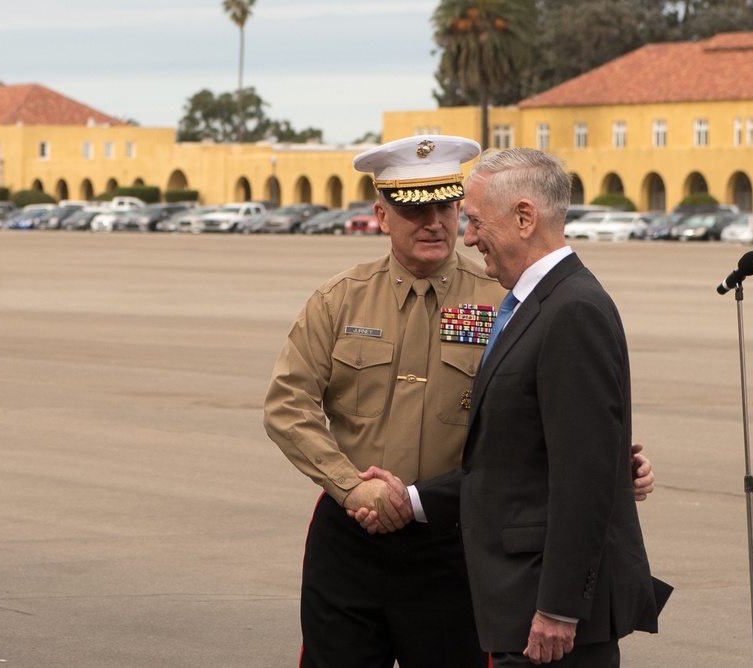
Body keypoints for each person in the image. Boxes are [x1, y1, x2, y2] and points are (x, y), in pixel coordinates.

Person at [263, 136, 657, 668]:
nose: (436, 223)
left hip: (458, 546)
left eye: (447, 207)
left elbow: (553, 422)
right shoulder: (340, 299)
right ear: (381, 215)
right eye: (413, 209)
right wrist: (352, 485)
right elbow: (288, 405)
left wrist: (614, 467)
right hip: (353, 536)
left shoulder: (507, 297)